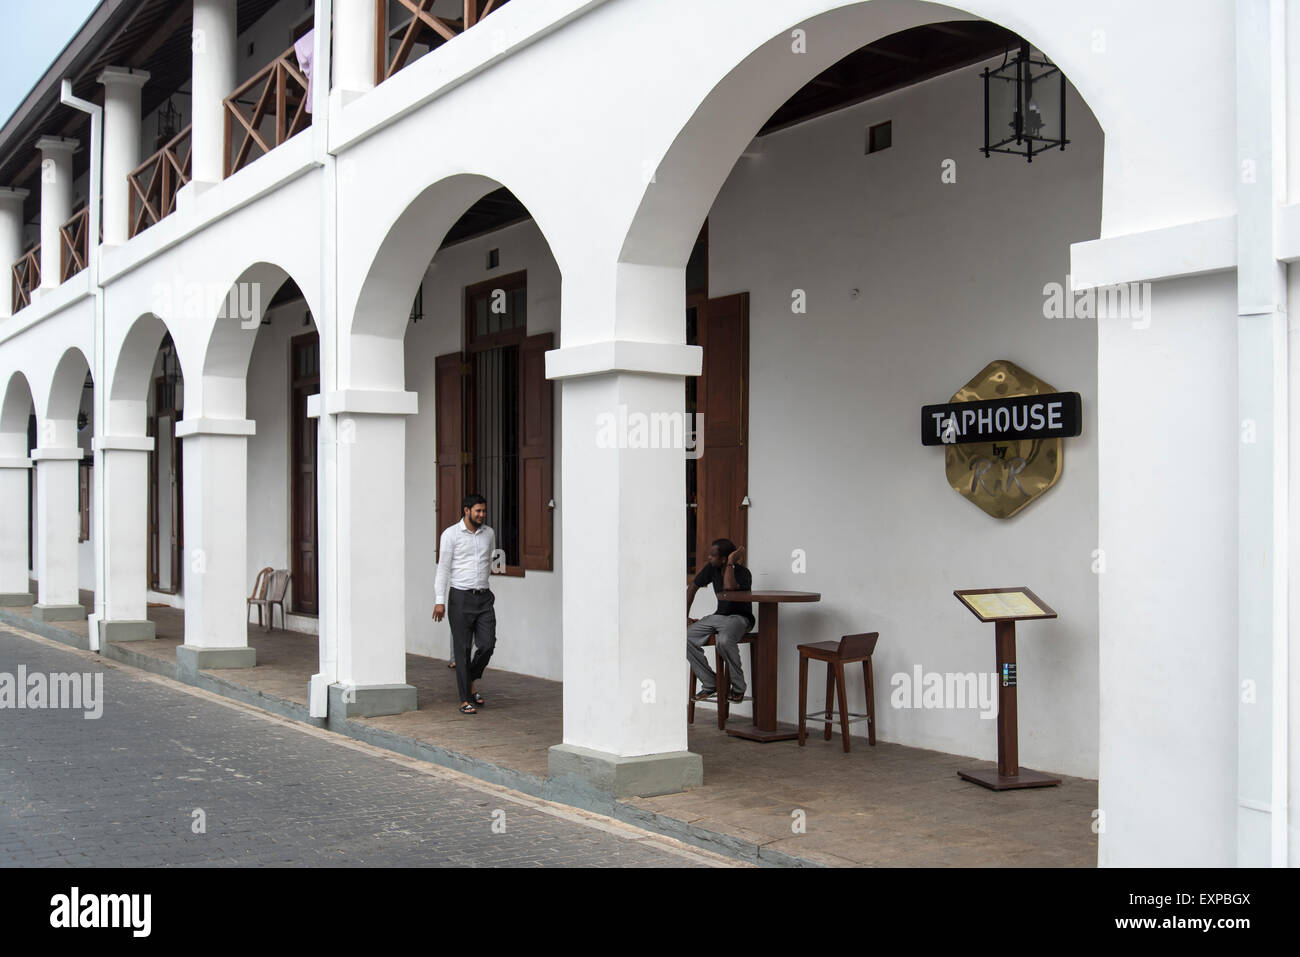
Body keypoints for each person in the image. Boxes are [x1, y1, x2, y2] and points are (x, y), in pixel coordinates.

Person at [433, 493, 498, 714]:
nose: (482, 515)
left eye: (484, 511)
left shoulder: (488, 533)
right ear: (466, 510)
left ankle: (469, 679)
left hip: (484, 597)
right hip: (460, 597)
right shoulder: (450, 535)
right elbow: (443, 568)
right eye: (478, 511)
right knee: (463, 649)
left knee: (487, 644)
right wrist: (439, 601)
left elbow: (489, 559)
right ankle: (465, 698)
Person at [686, 538, 754, 704]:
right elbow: (693, 587)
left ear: (724, 559)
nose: (709, 558)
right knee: (682, 637)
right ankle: (711, 683)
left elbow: (729, 587)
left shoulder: (743, 573)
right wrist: (684, 617)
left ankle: (738, 688)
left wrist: (731, 563)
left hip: (740, 619)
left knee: (723, 641)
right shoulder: (712, 569)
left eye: (713, 556)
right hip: (719, 617)